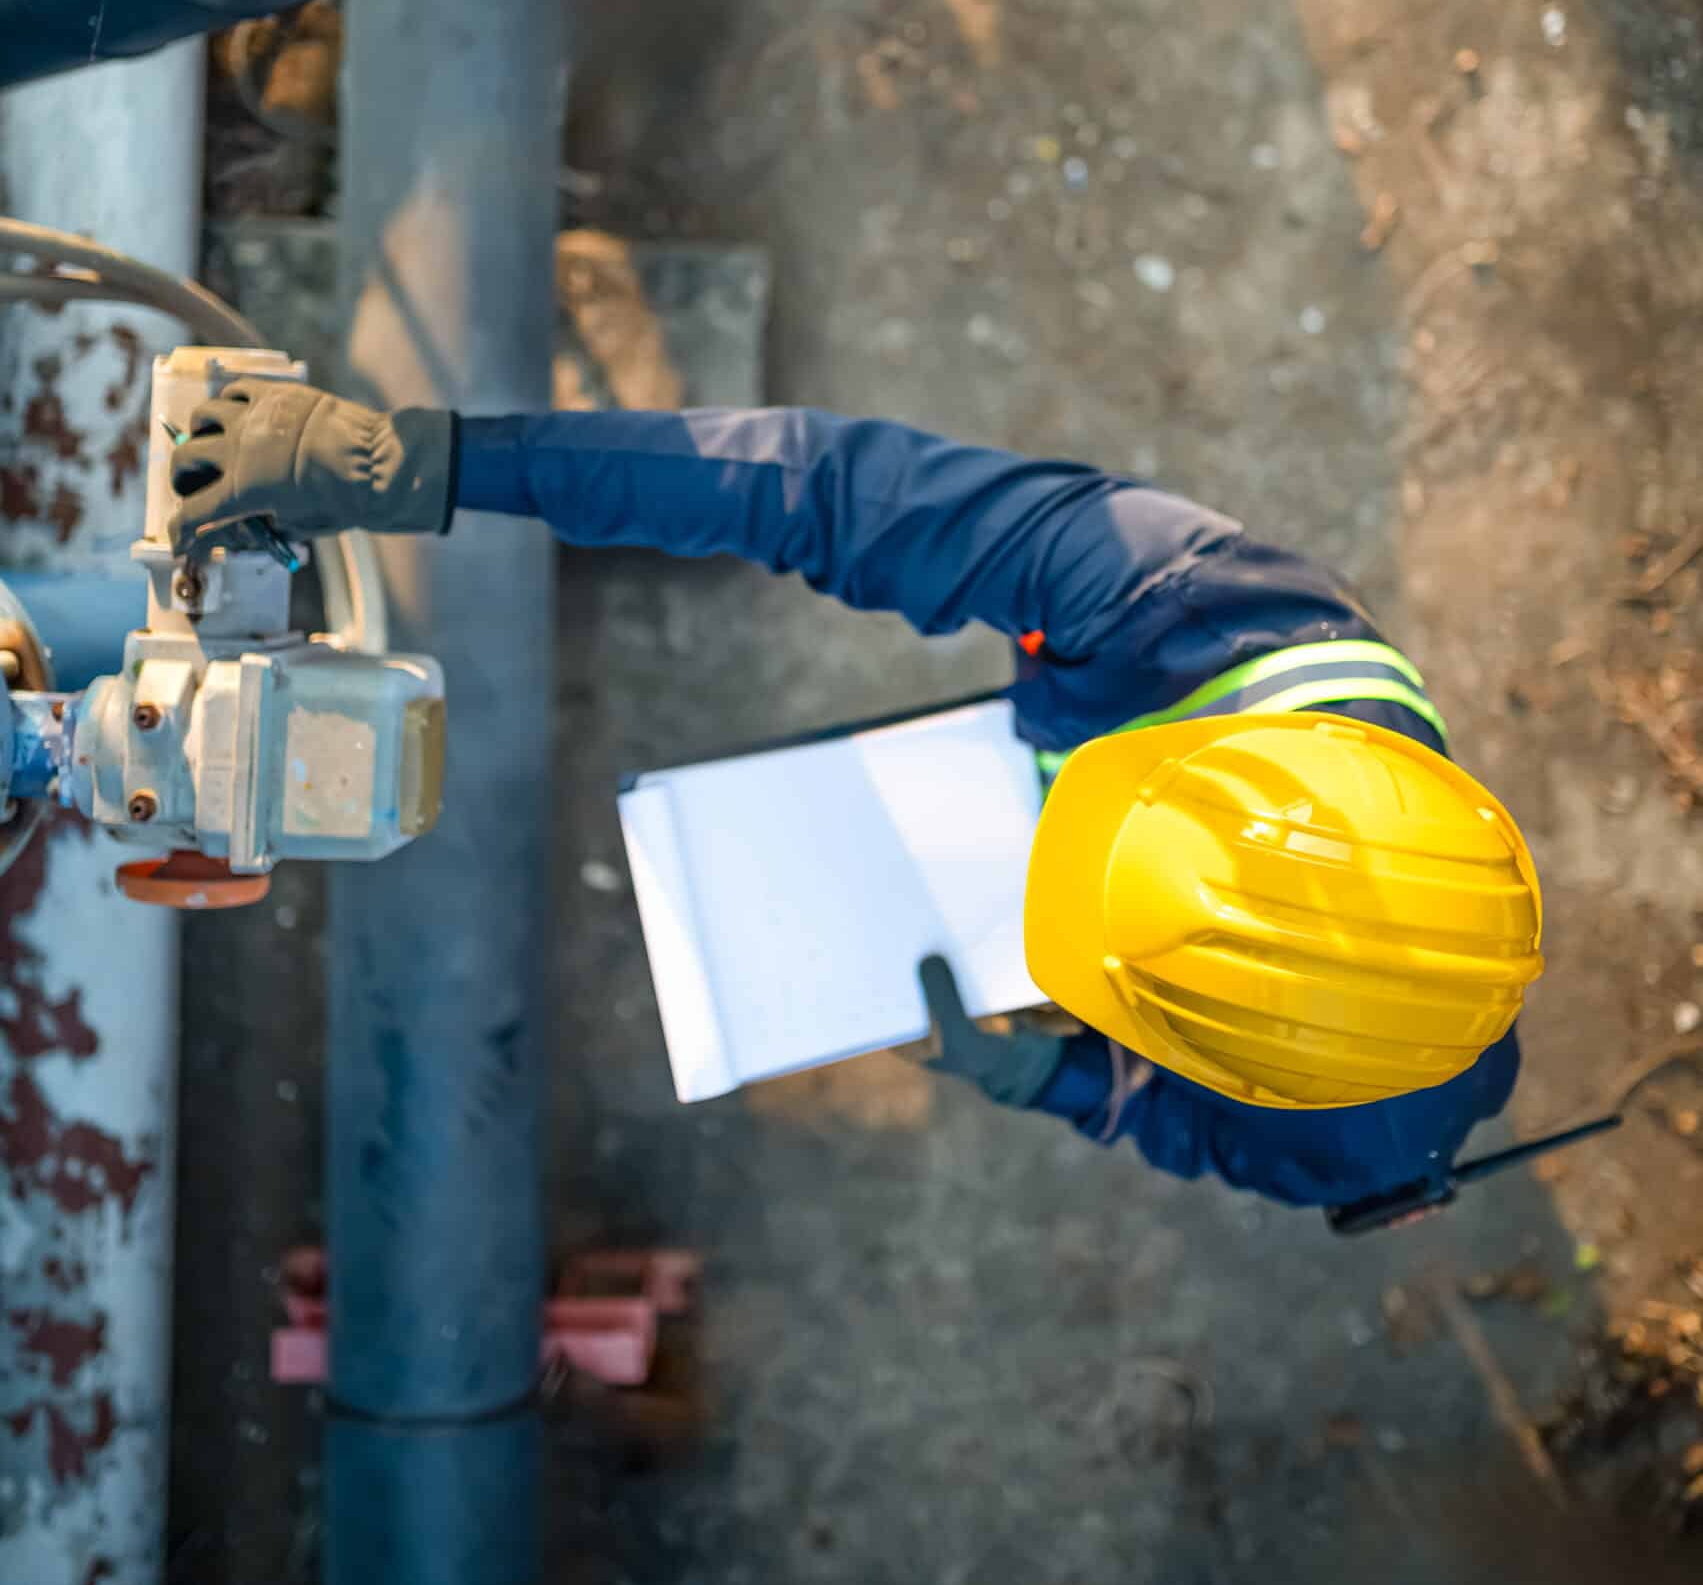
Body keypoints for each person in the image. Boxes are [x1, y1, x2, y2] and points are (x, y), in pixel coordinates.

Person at [167, 384, 1543, 1216]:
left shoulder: (1380, 1124)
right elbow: (814, 488)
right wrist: (435, 463)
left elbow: (1222, 1135)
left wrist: (1069, 1079)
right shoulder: (1173, 593)